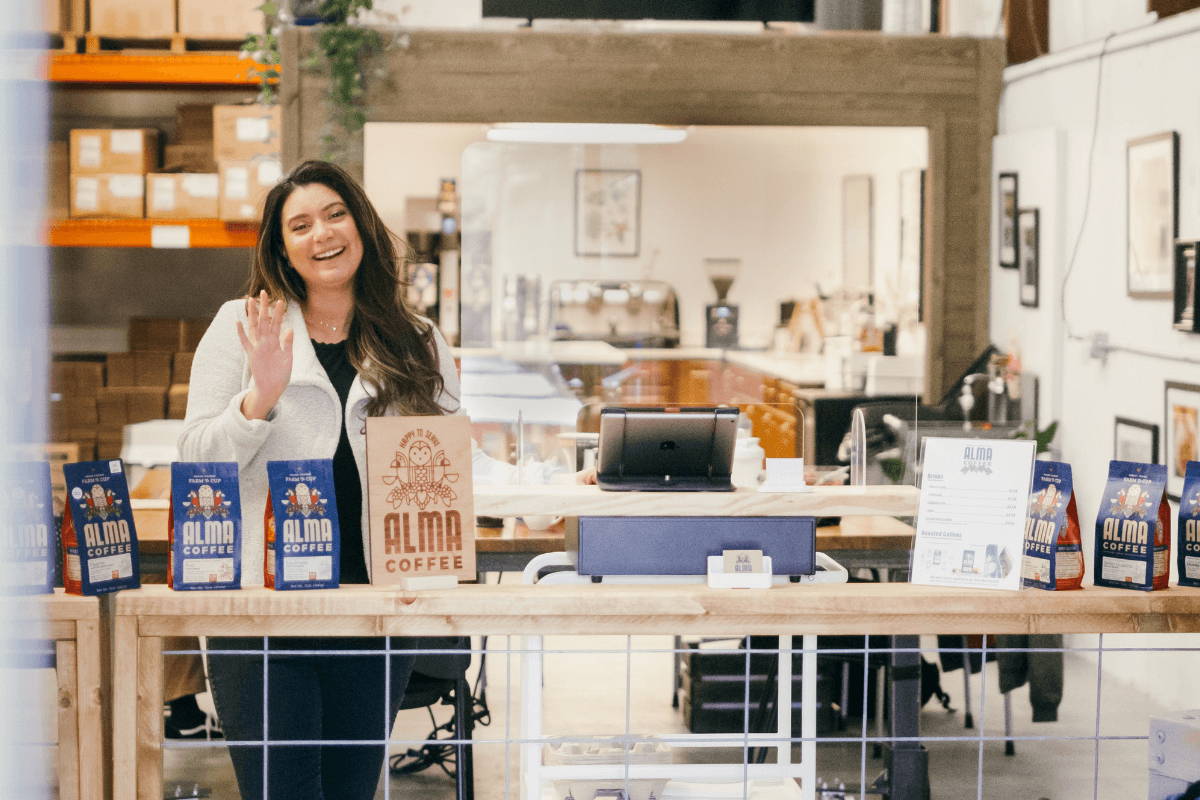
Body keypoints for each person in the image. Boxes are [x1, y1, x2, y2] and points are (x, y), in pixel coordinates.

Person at [179, 159, 462, 799]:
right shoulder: (241, 326)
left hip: (373, 605)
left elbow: (446, 458)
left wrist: (563, 480)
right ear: (281, 248)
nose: (322, 234)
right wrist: (261, 397)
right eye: (299, 224)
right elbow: (198, 461)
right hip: (262, 607)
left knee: (352, 790)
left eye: (335, 214)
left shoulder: (414, 339)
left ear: (360, 225)